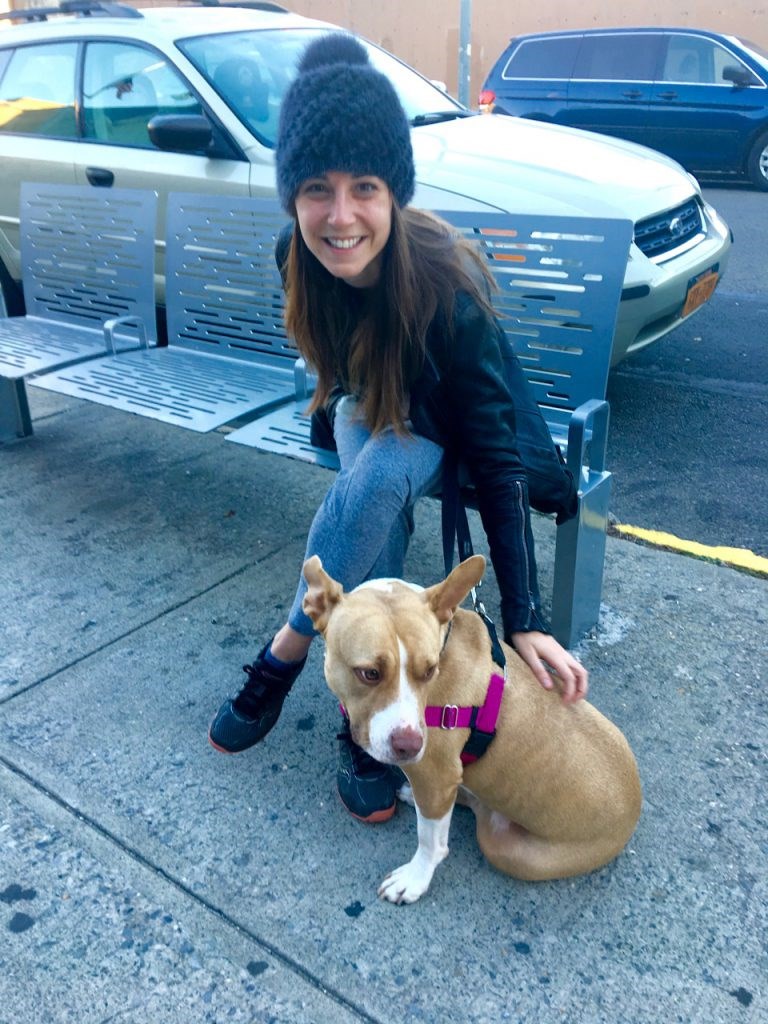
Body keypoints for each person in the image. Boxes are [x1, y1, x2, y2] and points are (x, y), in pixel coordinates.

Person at [209, 33, 588, 822]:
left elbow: (493, 445)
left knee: (377, 477)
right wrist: (342, 408)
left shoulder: (446, 283)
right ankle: (371, 717)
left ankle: (283, 657)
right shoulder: (297, 252)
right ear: (293, 196)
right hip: (368, 410)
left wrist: (526, 617)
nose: (340, 215)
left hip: (445, 431)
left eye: (365, 187)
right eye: (316, 188)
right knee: (371, 486)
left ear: (395, 194)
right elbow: (339, 371)